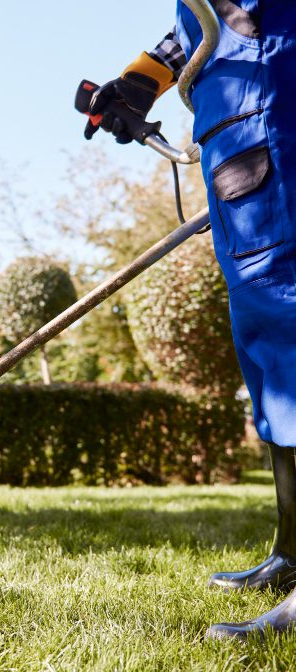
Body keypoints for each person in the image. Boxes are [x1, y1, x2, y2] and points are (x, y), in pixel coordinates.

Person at [76, 1, 296, 640]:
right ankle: (292, 554)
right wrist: (141, 80)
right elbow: (205, 25)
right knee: (269, 353)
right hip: (234, 137)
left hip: (277, 109)